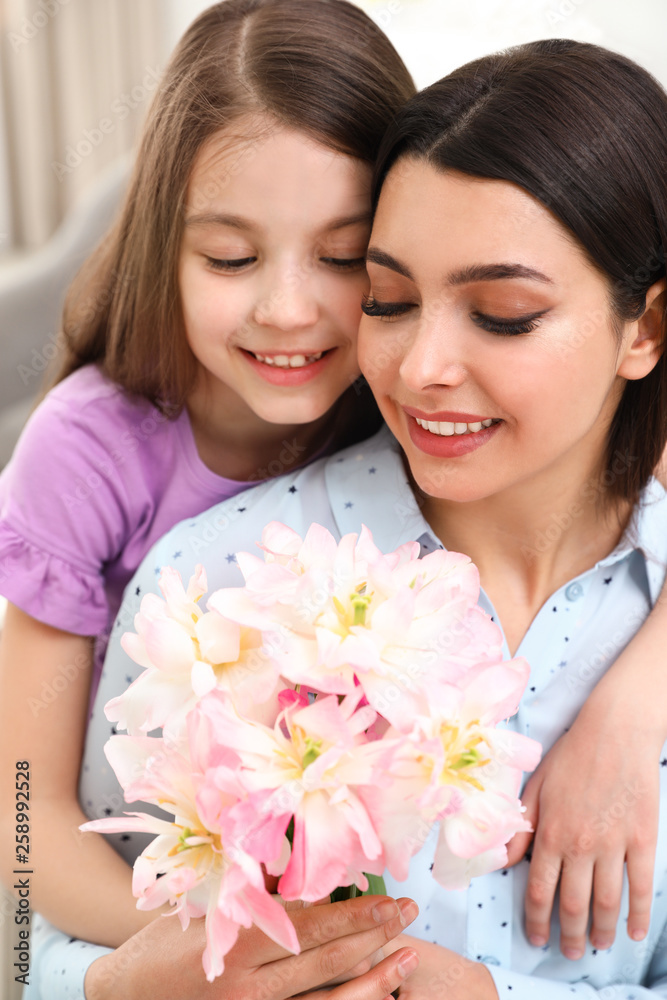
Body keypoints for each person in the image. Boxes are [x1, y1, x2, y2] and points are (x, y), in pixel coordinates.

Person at [57, 36, 667, 1000]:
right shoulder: (213, 592)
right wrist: (124, 990)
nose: (420, 367)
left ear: (646, 329)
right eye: (385, 298)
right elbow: (23, 936)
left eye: (502, 313)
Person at [0, 0, 415, 966]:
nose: (286, 309)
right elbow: (23, 817)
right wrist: (216, 953)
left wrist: (639, 690)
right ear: (163, 247)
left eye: (343, 257)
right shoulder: (89, 451)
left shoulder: (421, 407)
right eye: (230, 256)